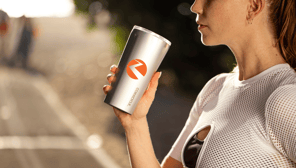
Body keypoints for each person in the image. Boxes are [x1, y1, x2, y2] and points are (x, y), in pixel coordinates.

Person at [103, 0, 296, 167]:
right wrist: (134, 123)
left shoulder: (286, 99)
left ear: (253, 5)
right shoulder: (216, 88)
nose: (195, 6)